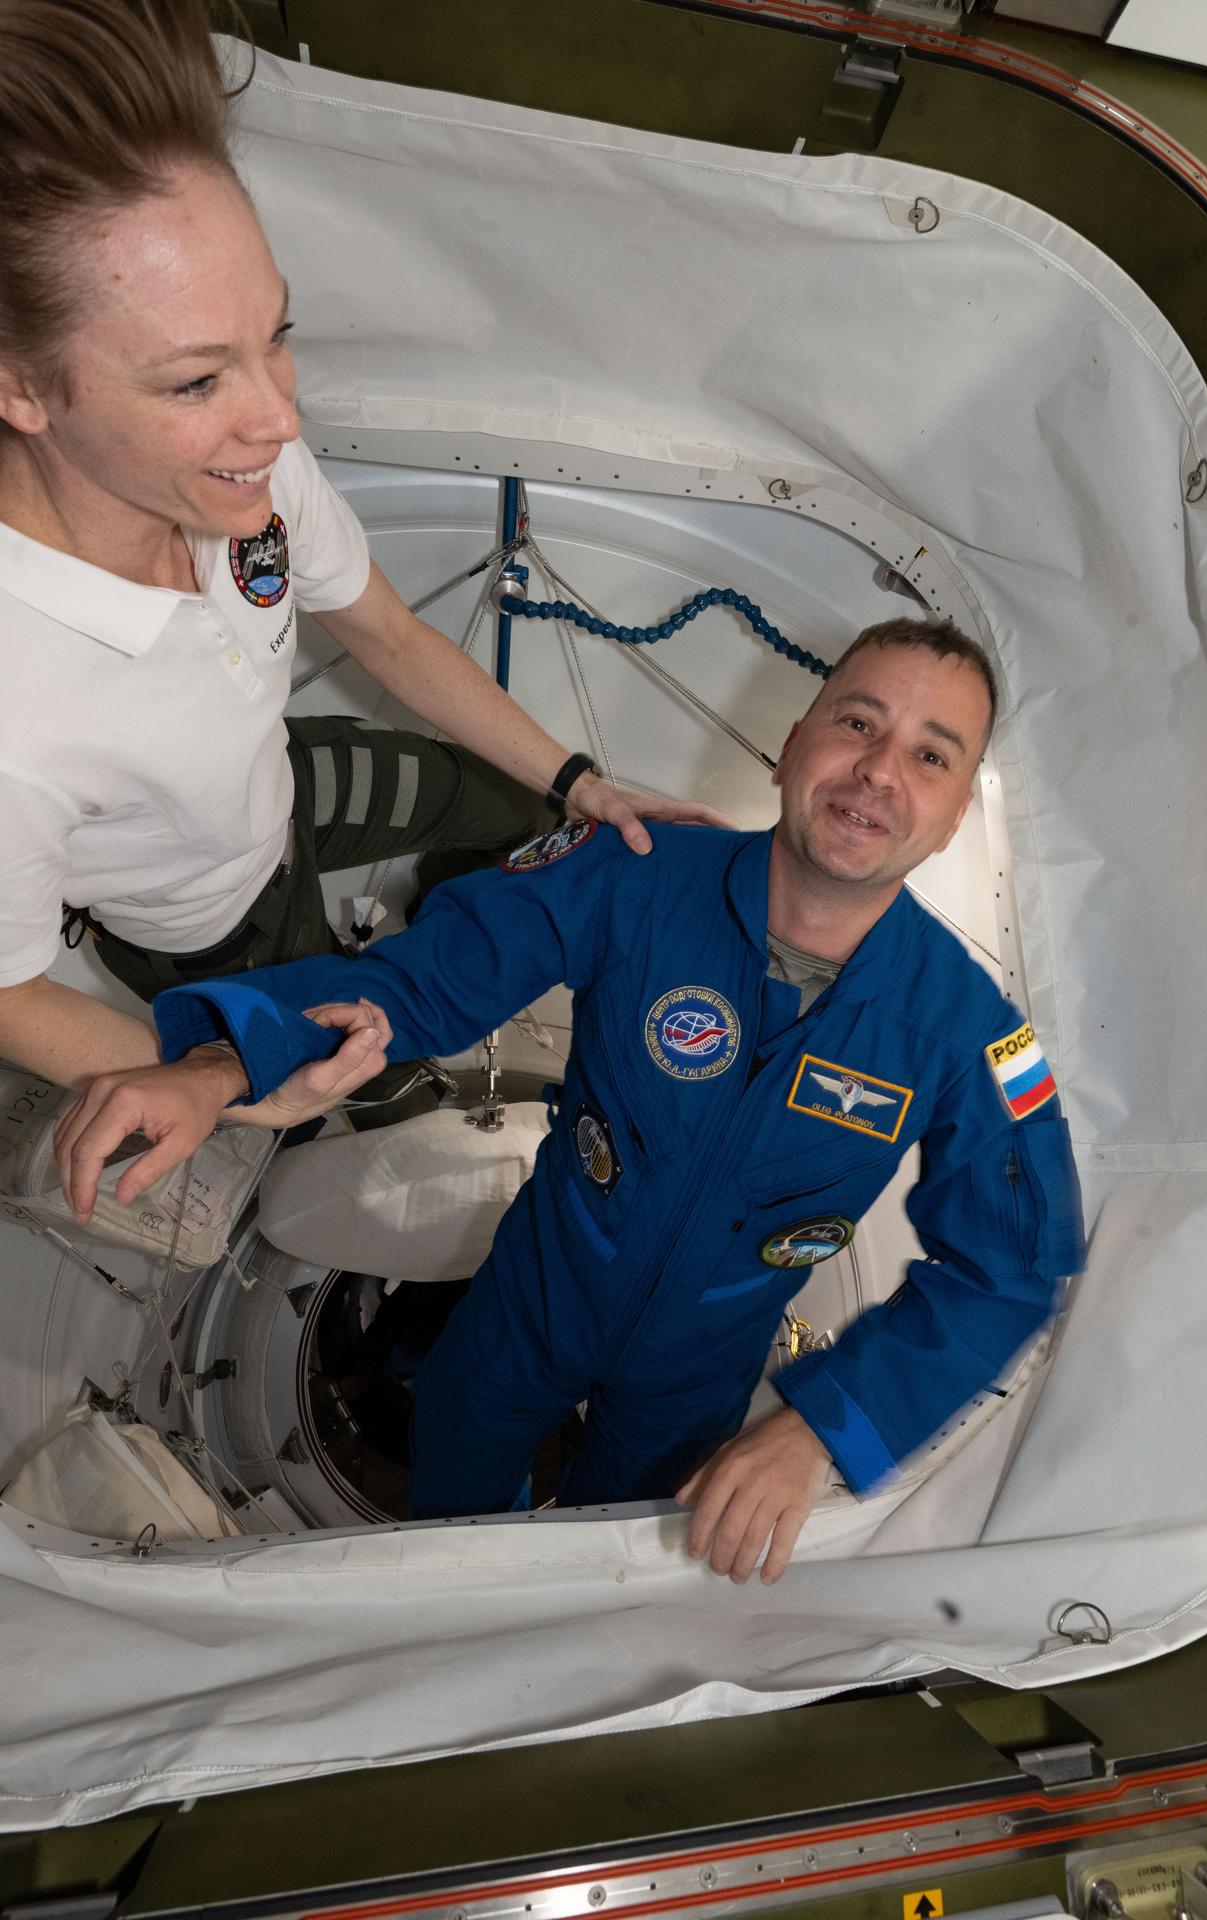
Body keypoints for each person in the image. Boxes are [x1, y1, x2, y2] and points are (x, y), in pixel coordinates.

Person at [59, 617, 1087, 1583]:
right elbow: (417, 983)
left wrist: (823, 1432)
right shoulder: (633, 873)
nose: (875, 770)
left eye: (929, 755)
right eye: (856, 722)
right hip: (526, 1306)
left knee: (617, 1571)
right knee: (447, 1531)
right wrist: (217, 1068)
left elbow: (1014, 1265)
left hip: (698, 1377)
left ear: (955, 817)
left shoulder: (971, 1027)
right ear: (790, 743)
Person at [0, 0, 718, 1097]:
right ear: (19, 388)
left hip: (284, 780)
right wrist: (220, 1087)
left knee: (517, 808)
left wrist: (584, 783)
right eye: (197, 380)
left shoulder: (234, 472)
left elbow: (382, 631)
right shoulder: (15, 719)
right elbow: (8, 996)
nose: (279, 421)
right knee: (347, 1065)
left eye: (274, 337)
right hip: (210, 927)